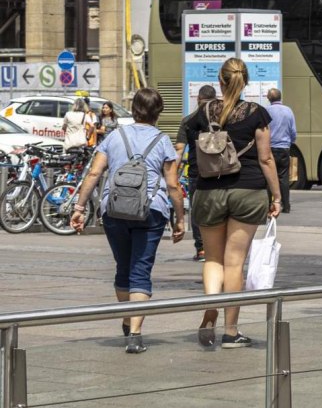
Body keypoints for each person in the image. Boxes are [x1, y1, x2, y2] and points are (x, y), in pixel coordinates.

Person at [68, 88, 184, 355]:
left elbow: (94, 172)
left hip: (114, 210)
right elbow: (173, 185)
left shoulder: (114, 136)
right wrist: (180, 219)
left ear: (134, 110)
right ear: (159, 112)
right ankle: (135, 333)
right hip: (151, 211)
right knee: (140, 270)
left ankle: (126, 317)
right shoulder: (163, 141)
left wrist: (79, 207)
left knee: (123, 267)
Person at [183, 57, 282, 349]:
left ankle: (211, 306)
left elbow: (191, 145)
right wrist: (276, 196)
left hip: (209, 190)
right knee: (235, 262)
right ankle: (230, 331)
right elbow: (266, 158)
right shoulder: (257, 114)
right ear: (246, 81)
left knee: (213, 259)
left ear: (220, 80)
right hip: (248, 191)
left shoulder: (203, 111)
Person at [175, 85, 218, 261]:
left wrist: (172, 174)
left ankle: (201, 249)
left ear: (198, 99)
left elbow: (179, 150)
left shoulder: (188, 120)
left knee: (197, 210)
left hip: (196, 171)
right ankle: (217, 246)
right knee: (218, 209)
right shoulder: (223, 119)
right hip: (220, 171)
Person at [265, 88, 297, 214]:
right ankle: (286, 205)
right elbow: (293, 130)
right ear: (280, 97)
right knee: (283, 177)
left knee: (269, 177)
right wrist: (290, 142)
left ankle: (268, 205)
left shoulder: (266, 111)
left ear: (269, 98)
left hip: (270, 148)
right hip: (284, 148)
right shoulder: (288, 111)